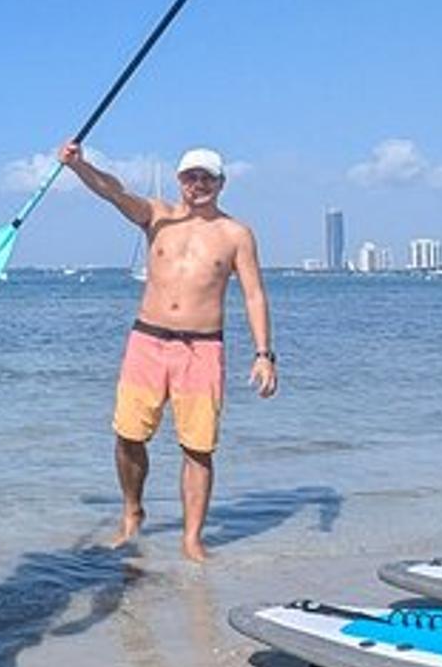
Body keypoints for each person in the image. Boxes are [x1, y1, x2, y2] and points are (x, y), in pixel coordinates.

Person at [57, 142, 277, 562]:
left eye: (208, 178)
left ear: (221, 183)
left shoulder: (236, 235)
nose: (199, 185)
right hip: (147, 341)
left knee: (198, 447)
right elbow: (112, 192)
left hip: (203, 348)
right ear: (180, 181)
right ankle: (131, 512)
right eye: (191, 177)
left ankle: (192, 538)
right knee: (128, 435)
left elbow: (253, 295)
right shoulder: (156, 215)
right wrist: (80, 166)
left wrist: (264, 353)